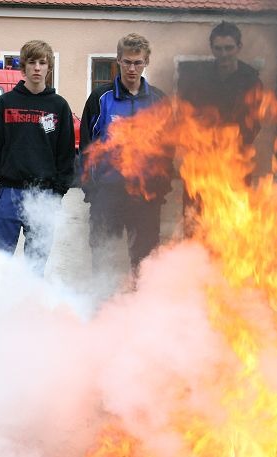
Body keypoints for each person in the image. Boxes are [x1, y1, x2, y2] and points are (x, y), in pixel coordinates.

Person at [79, 33, 173, 279]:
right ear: (118, 60)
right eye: (127, 62)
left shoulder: (159, 100)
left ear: (146, 62)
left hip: (145, 196)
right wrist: (92, 189)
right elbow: (86, 146)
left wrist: (160, 188)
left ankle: (139, 311)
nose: (132, 68)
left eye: (138, 62)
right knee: (103, 258)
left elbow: (168, 149)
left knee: (145, 262)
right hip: (107, 196)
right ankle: (102, 309)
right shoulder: (100, 98)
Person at [0, 40, 75, 274]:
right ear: (23, 67)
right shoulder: (5, 103)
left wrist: (57, 194)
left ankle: (29, 309)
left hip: (43, 196)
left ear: (49, 67)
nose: (37, 68)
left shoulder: (59, 106)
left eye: (42, 63)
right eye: (32, 62)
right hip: (8, 194)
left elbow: (66, 154)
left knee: (35, 266)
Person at [178, 22, 263, 231]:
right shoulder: (198, 79)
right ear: (212, 48)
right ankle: (194, 262)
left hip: (236, 163)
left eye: (229, 48)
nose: (223, 54)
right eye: (218, 48)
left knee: (232, 227)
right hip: (200, 163)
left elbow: (254, 124)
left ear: (239, 47)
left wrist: (229, 141)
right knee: (195, 223)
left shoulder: (251, 80)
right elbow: (186, 116)